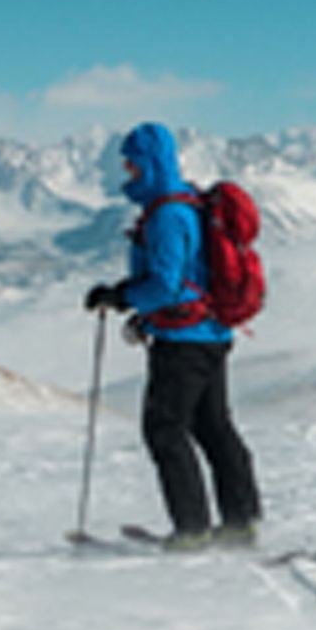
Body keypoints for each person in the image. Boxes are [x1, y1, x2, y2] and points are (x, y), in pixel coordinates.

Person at [84, 122, 261, 550]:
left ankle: (192, 530)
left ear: (148, 162)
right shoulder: (187, 204)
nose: (126, 170)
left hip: (184, 344)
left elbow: (166, 284)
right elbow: (191, 279)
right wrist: (146, 319)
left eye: (130, 162)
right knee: (212, 426)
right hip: (209, 334)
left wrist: (120, 296)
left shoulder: (167, 214)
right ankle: (240, 521)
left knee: (165, 429)